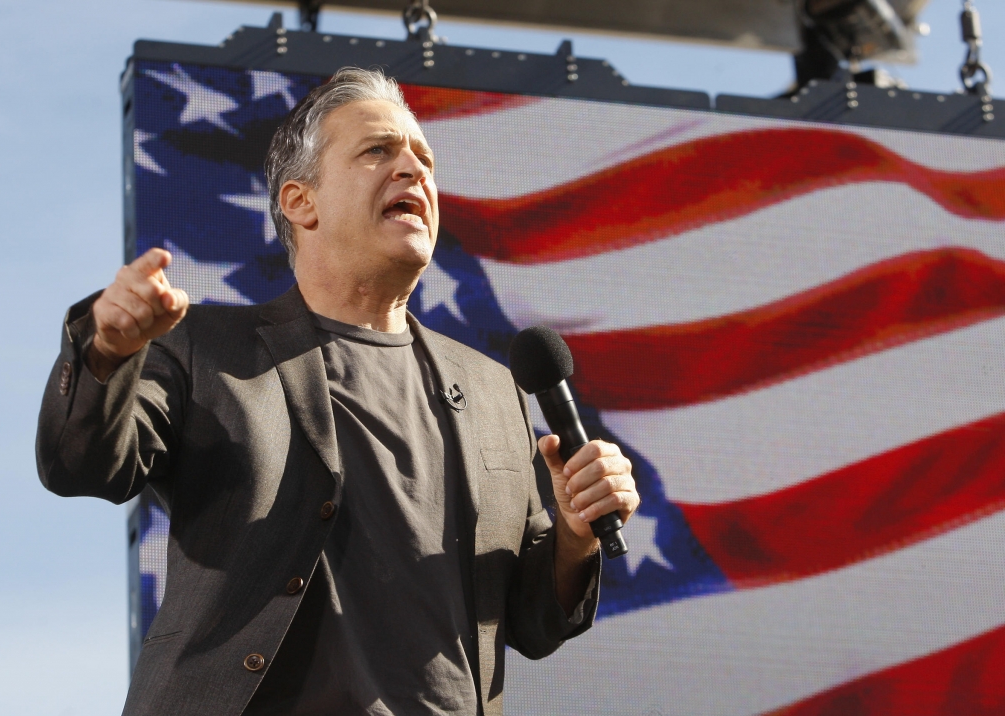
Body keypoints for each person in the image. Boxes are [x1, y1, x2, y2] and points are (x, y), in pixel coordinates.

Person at [36, 67, 640, 716]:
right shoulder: (204, 347)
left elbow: (532, 621)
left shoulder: (494, 390)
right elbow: (81, 463)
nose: (413, 169)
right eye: (378, 150)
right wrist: (107, 351)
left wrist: (575, 535)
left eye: (423, 158)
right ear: (301, 201)